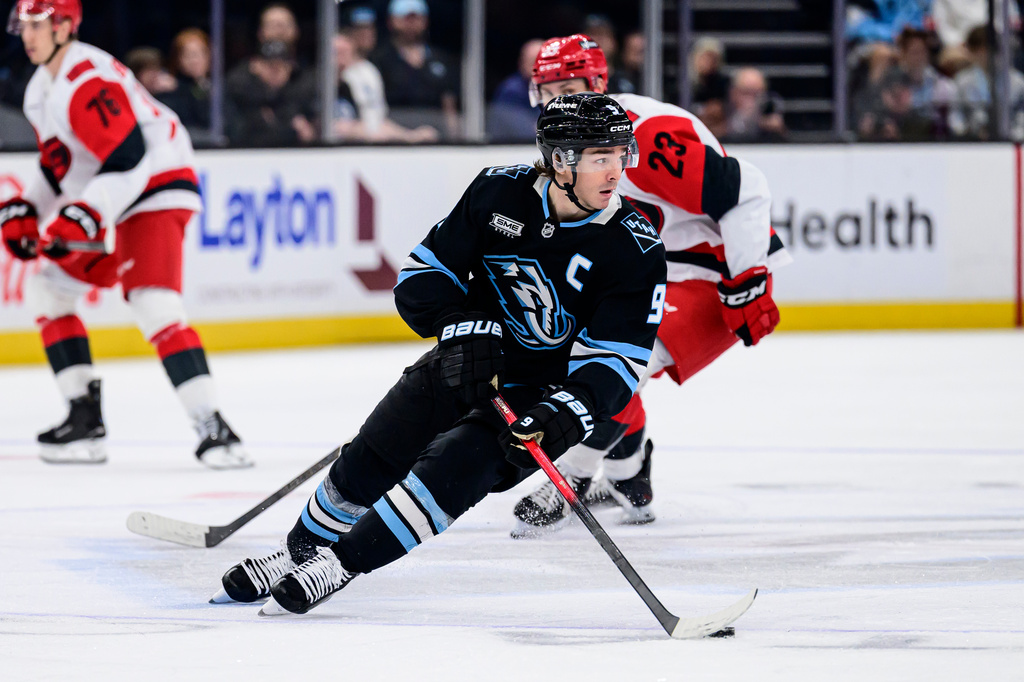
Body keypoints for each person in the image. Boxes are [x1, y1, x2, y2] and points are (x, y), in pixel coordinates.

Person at [210, 93, 667, 615]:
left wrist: (568, 408)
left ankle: (340, 566)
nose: (615, 172)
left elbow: (620, 358)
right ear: (561, 160)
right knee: (378, 448)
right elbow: (423, 275)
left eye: (620, 154)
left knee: (456, 466)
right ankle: (299, 552)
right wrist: (462, 327)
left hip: (536, 395)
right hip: (466, 358)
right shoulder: (498, 191)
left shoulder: (637, 246)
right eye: (599, 157)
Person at [514, 34, 790, 534]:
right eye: (547, 92)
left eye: (568, 88)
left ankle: (569, 480)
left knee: (615, 368)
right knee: (569, 355)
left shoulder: (645, 134)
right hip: (649, 271)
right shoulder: (568, 145)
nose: (557, 103)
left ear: (598, 83)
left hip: (712, 273)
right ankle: (628, 471)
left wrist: (749, 279)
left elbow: (745, 192)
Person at [0, 0, 250, 468]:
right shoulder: (41, 89)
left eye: (36, 24)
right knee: (47, 289)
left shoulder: (86, 77)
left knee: (152, 299)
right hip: (118, 196)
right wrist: (26, 208)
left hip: (158, 184)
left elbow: (130, 157)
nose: (26, 35)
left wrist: (84, 213)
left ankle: (215, 427)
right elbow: (62, 166)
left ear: (64, 26)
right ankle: (84, 419)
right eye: (24, 25)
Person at [370, 0, 460, 139]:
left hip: (436, 139)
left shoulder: (441, 59)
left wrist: (454, 138)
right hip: (393, 140)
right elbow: (375, 108)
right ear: (391, 21)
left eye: (417, 18)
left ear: (426, 21)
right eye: (406, 18)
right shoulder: (379, 60)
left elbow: (449, 105)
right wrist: (409, 136)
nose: (411, 24)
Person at [332, 31, 437, 143]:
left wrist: (410, 136)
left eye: (346, 53)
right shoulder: (316, 84)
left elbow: (375, 122)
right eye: (337, 54)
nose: (342, 61)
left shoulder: (364, 73)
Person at [224, 39, 317, 146]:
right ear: (256, 66)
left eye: (282, 66)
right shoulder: (241, 97)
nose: (276, 72)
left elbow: (309, 135)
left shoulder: (299, 96)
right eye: (270, 66)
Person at [486, 38, 543, 142]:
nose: (536, 68)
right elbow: (525, 133)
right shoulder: (510, 90)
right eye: (532, 62)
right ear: (521, 63)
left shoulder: (553, 88)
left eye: (542, 63)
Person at [160, 28, 212, 132]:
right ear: (178, 59)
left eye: (200, 54)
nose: (195, 60)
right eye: (188, 55)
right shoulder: (170, 92)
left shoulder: (217, 89)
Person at [723, 67, 788, 143]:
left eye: (757, 93)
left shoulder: (770, 107)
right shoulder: (720, 110)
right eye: (746, 93)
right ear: (733, 93)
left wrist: (777, 129)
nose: (752, 99)